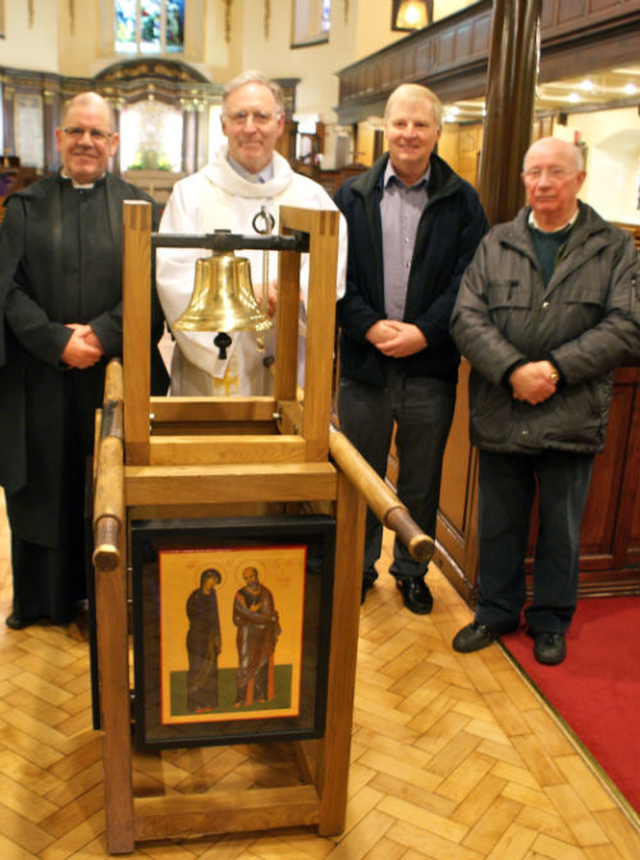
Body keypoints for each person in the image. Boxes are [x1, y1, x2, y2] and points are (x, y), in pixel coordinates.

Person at [450, 137, 640, 665]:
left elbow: (627, 326)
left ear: (579, 179)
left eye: (555, 172)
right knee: (500, 521)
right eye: (533, 172)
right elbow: (466, 316)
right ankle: (496, 611)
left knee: (560, 527)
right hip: (502, 406)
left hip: (570, 411)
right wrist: (512, 369)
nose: (542, 183)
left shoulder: (614, 248)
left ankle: (551, 619)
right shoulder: (496, 242)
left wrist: (554, 370)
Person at [0, 92, 168, 629]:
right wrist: (55, 341)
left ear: (114, 143)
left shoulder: (138, 208)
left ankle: (106, 603)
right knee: (45, 484)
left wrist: (98, 336)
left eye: (97, 133)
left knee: (105, 485)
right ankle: (43, 602)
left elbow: (149, 292)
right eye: (76, 131)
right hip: (41, 377)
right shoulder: (25, 208)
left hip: (110, 377)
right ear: (59, 138)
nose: (86, 142)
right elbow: (7, 292)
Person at [334, 83, 488, 613]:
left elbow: (468, 281)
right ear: (386, 127)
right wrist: (371, 327)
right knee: (359, 474)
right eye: (400, 123)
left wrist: (424, 331)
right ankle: (356, 567)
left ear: (438, 133)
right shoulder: (351, 196)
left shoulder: (464, 201)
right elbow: (335, 279)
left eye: (421, 125)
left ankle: (411, 569)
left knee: (420, 479)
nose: (409, 133)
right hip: (365, 364)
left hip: (430, 367)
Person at [157, 70, 346, 396]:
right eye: (239, 116)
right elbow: (174, 277)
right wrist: (243, 294)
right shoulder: (190, 194)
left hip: (291, 363)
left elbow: (329, 272)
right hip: (216, 372)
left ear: (279, 123)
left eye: (261, 116)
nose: (250, 127)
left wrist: (289, 293)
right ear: (223, 125)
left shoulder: (312, 198)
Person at [232, 566, 281, 707]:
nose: (250, 580)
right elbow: (237, 619)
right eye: (246, 578)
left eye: (252, 576)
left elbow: (269, 614)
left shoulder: (265, 593)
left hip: (262, 633)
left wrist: (251, 616)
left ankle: (261, 695)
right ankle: (240, 698)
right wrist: (252, 613)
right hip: (246, 634)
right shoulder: (239, 595)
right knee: (245, 663)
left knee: (262, 663)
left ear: (257, 575)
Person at [185, 568, 222, 713]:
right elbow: (191, 614)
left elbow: (216, 616)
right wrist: (203, 625)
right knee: (197, 668)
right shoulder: (195, 597)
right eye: (211, 579)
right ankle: (195, 704)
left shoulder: (213, 594)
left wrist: (218, 636)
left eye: (215, 581)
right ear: (204, 579)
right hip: (197, 637)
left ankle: (208, 702)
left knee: (211, 670)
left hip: (210, 637)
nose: (213, 583)